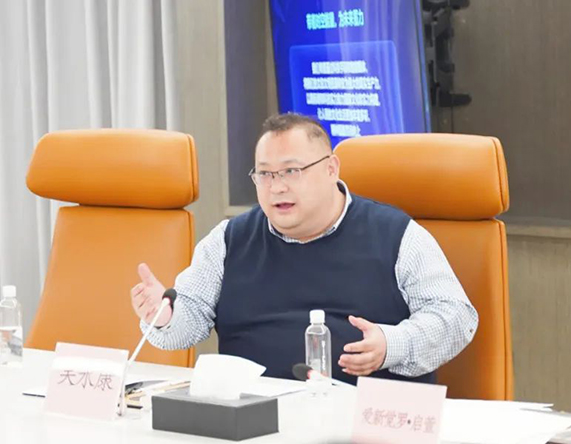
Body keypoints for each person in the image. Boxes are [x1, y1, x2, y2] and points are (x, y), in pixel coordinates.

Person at [130, 113, 478, 384]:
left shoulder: (398, 235)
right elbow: (188, 322)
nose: (276, 187)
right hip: (254, 421)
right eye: (265, 174)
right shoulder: (228, 239)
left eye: (291, 171)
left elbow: (456, 318)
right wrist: (164, 316)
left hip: (364, 422)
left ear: (331, 169)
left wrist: (391, 345)